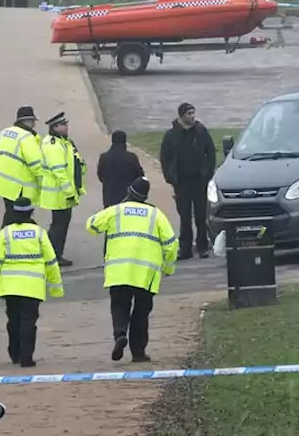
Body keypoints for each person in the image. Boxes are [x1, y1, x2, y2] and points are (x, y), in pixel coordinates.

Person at [85, 177, 177, 362]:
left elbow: (91, 225)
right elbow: (171, 243)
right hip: (146, 274)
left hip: (119, 271)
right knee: (141, 313)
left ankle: (120, 334)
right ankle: (138, 352)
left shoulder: (116, 211)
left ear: (129, 192)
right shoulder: (155, 214)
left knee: (119, 305)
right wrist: (168, 267)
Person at [0, 196, 64, 367]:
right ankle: (26, 358)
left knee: (13, 320)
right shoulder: (39, 233)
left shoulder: (5, 233)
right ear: (31, 212)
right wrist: (56, 288)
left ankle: (14, 353)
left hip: (10, 287)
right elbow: (51, 261)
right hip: (32, 286)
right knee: (29, 322)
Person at [158, 101, 217, 259]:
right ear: (181, 116)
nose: (192, 117)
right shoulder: (172, 135)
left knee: (200, 215)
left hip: (199, 180)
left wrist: (208, 172)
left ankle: (203, 246)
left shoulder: (200, 131)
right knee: (184, 216)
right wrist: (169, 177)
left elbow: (210, 151)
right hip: (182, 182)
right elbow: (165, 157)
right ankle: (185, 249)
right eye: (189, 114)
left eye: (193, 113)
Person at [37, 111, 87, 267]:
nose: (67, 127)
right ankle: (53, 255)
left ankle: (55, 254)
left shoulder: (64, 142)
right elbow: (59, 171)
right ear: (56, 127)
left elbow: (75, 161)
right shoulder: (53, 145)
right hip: (59, 194)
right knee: (59, 226)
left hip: (63, 193)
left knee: (61, 225)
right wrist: (69, 192)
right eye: (64, 125)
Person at [0, 105, 44, 226]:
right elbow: (35, 163)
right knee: (18, 217)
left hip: (3, 184)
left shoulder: (3, 133)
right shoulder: (27, 138)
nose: (34, 125)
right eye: (33, 121)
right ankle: (7, 241)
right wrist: (44, 181)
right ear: (27, 121)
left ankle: (5, 240)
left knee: (10, 214)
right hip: (19, 187)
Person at [96, 130, 145, 208]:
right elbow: (140, 175)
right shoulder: (131, 157)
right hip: (127, 197)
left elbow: (100, 175)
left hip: (109, 196)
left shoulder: (104, 157)